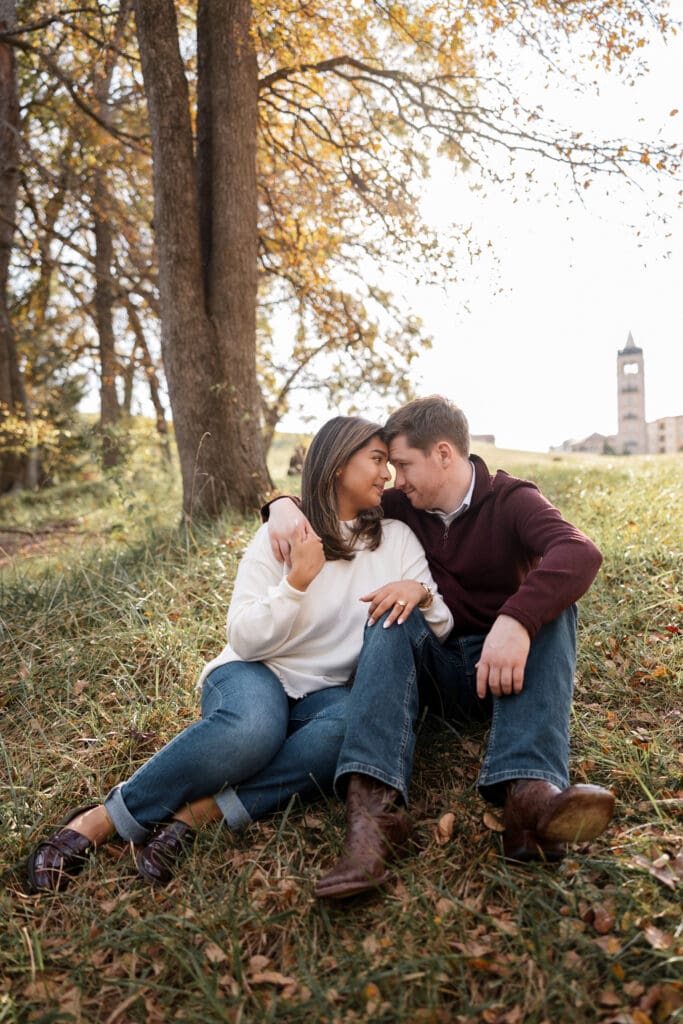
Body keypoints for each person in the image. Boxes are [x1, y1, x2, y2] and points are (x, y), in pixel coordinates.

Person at [26, 416, 452, 893]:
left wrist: (418, 592)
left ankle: (200, 814)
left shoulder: (395, 539)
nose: (387, 475)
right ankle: (104, 819)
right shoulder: (285, 533)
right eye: (377, 460)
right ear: (336, 464)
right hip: (255, 672)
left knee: (353, 728)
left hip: (326, 693)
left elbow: (441, 620)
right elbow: (244, 637)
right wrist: (296, 583)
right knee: (253, 729)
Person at [265, 396, 615, 899]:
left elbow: (580, 552)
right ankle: (373, 817)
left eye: (403, 464)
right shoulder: (406, 504)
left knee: (555, 611)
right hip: (439, 668)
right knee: (389, 614)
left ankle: (529, 797)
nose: (393, 480)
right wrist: (279, 503)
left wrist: (515, 620)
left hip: (509, 675)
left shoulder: (513, 501)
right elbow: (333, 496)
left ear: (444, 454)